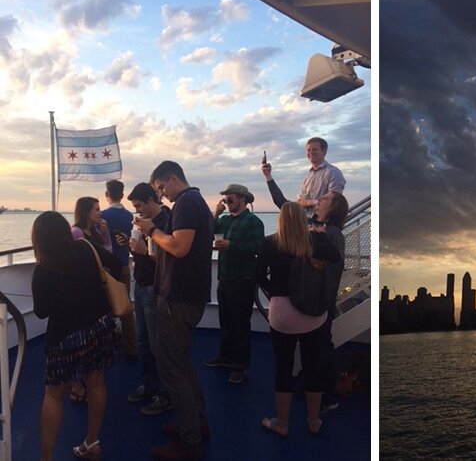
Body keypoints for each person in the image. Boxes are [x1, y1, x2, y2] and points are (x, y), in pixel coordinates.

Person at [134, 161, 213, 460]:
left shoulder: (186, 202)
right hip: (186, 296)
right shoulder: (196, 202)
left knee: (171, 366)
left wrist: (152, 229)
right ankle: (197, 423)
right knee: (182, 364)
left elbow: (179, 248)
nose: (162, 195)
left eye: (161, 188)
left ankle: (190, 439)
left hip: (178, 298)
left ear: (172, 178)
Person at [31, 211, 121, 461]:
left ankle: (46, 458)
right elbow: (114, 264)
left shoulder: (43, 269)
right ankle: (92, 443)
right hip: (99, 327)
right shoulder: (85, 247)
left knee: (53, 395)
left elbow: (40, 312)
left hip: (65, 338)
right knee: (96, 384)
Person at [254, 202, 343, 437]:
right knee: (312, 368)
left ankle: (282, 424)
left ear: (281, 220)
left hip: (282, 314)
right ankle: (313, 421)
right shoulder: (312, 241)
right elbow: (335, 258)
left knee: (283, 369)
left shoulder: (270, 243)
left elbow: (258, 274)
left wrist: (273, 293)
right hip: (312, 314)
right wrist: (321, 238)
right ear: (303, 220)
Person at [119, 182, 173, 416]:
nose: (138, 211)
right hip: (140, 286)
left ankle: (165, 394)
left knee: (157, 345)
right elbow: (143, 254)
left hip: (154, 288)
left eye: (140, 206)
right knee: (142, 342)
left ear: (152, 200)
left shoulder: (165, 224)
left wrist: (143, 250)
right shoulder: (143, 224)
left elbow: (169, 259)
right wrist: (132, 248)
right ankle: (149, 385)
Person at [204, 184, 264, 384]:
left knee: (240, 325)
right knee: (226, 321)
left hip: (243, 279)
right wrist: (216, 213)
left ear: (242, 199)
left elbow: (257, 247)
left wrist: (230, 245)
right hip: (225, 278)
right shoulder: (224, 220)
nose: (227, 203)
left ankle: (240, 365)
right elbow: (208, 233)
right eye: (225, 200)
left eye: (230, 199)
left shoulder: (253, 221)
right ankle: (225, 356)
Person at [69, 196, 113, 406]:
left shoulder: (94, 232)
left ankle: (89, 380)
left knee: (92, 340)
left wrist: (105, 235)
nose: (100, 213)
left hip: (97, 291)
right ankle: (77, 385)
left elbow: (108, 254)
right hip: (81, 295)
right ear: (86, 211)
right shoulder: (76, 233)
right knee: (81, 341)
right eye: (96, 209)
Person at [309, 191, 348, 414]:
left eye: (324, 199)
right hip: (310, 298)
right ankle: (314, 390)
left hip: (322, 300)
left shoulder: (334, 235)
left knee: (322, 346)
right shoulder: (314, 228)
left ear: (332, 208)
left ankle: (328, 395)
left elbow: (335, 268)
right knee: (314, 347)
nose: (319, 200)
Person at [261, 137, 346, 216]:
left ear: (324, 151)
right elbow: (302, 201)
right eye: (308, 150)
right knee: (285, 206)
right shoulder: (308, 177)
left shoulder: (333, 172)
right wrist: (268, 175)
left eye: (314, 149)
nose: (311, 153)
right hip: (307, 223)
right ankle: (269, 178)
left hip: (323, 225)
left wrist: (308, 203)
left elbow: (335, 200)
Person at [101, 180, 138, 360]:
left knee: (104, 309)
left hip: (106, 269)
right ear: (122, 195)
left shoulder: (101, 216)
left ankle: (106, 347)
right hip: (123, 265)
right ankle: (131, 347)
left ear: (107, 195)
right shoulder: (129, 216)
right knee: (126, 308)